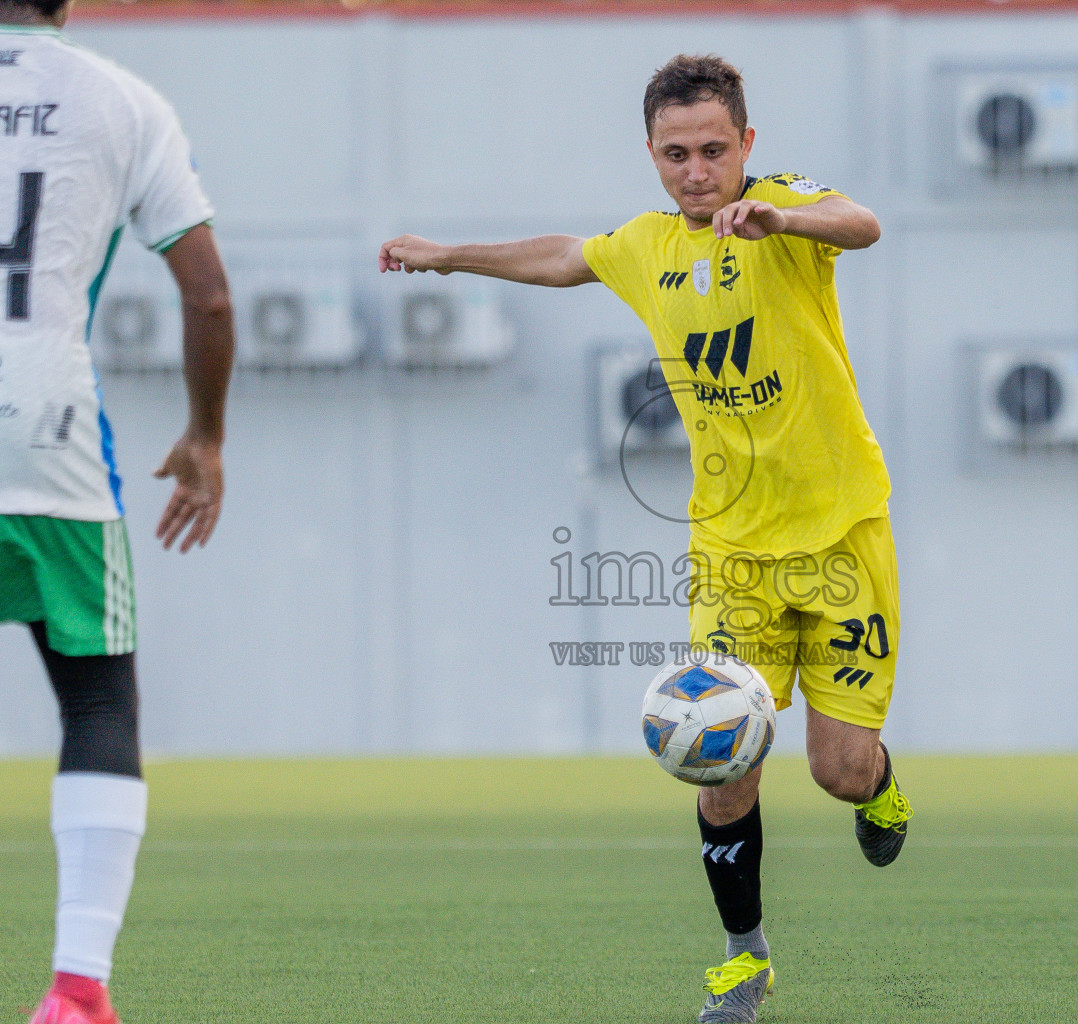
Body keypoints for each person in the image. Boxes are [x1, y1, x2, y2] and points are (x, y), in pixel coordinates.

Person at [380, 53, 910, 1024]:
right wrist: (448, 255)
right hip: (731, 555)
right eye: (677, 154)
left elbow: (862, 223)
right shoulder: (646, 245)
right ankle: (743, 965)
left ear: (747, 145)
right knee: (720, 766)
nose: (697, 171)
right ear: (653, 155)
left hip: (842, 539)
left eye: (715, 150)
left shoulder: (785, 210)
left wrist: (782, 219)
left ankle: (881, 787)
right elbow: (562, 257)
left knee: (838, 770)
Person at [0, 2, 234, 1021]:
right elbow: (209, 298)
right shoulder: (124, 100)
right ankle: (75, 990)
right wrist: (204, 438)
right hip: (48, 427)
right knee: (97, 703)